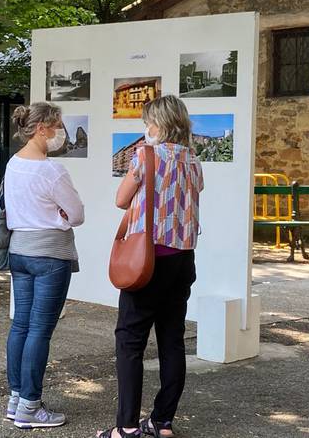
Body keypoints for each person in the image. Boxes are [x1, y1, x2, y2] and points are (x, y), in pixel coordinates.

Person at [97, 95, 204, 438]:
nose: (146, 128)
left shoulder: (145, 155)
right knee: (172, 340)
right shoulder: (193, 159)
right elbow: (193, 191)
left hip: (149, 259)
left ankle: (126, 427)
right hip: (183, 259)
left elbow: (120, 199)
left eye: (148, 122)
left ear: (159, 124)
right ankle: (162, 422)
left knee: (130, 340)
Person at [4, 102, 84, 429]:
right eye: (57, 127)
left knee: (20, 326)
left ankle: (15, 398)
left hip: (19, 251)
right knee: (39, 330)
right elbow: (77, 214)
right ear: (42, 129)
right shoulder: (51, 170)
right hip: (50, 254)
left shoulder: (13, 164)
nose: (59, 133)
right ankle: (30, 407)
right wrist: (60, 214)